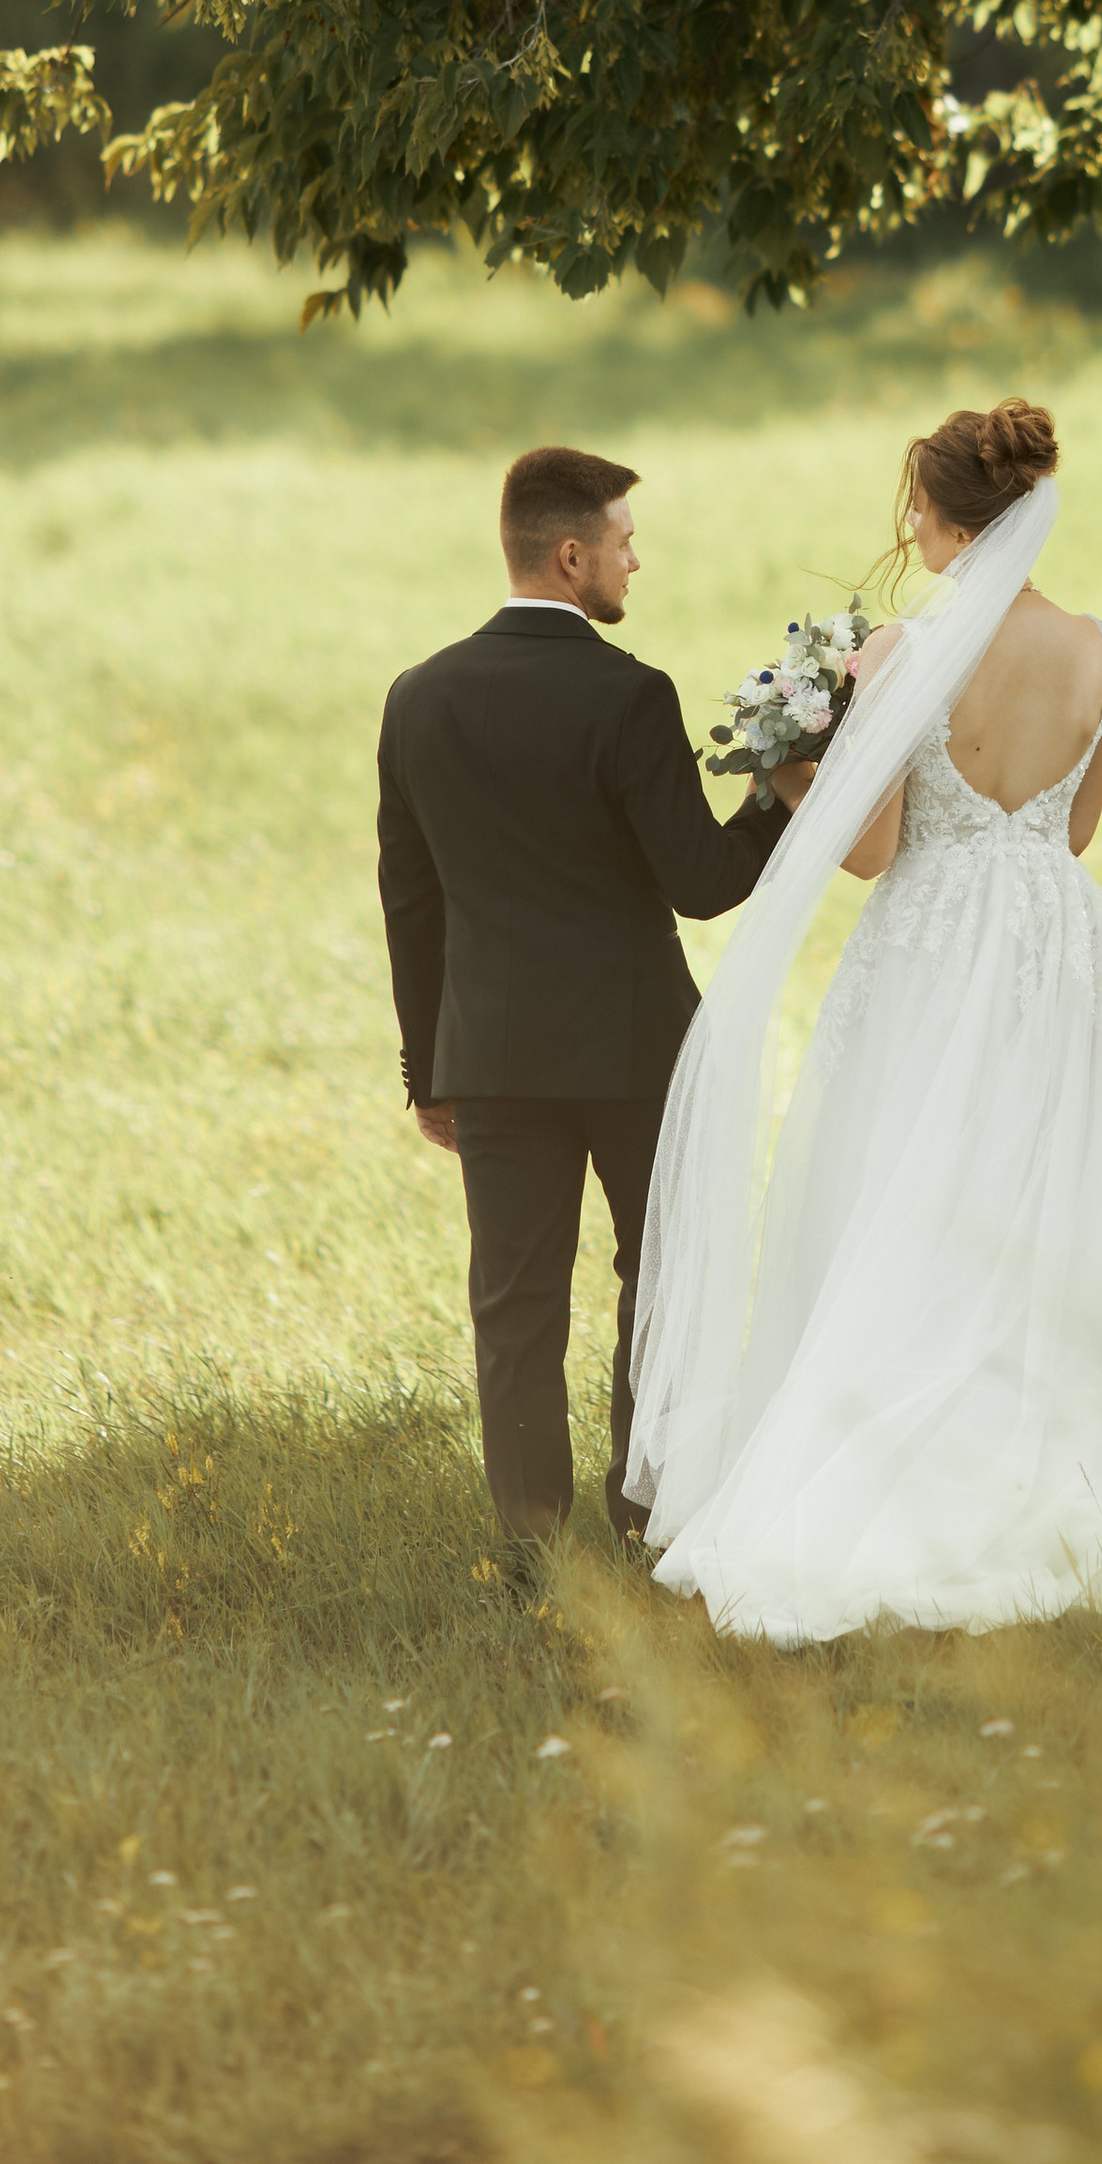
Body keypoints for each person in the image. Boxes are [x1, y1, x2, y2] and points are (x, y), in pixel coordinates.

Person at [628, 399, 1102, 1640]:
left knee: (907, 1175)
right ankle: (1054, 1442)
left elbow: (871, 850)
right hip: (1051, 937)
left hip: (933, 935)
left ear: (946, 519)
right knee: (1036, 1179)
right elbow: (1074, 831)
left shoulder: (905, 655)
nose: (910, 533)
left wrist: (791, 765)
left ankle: (895, 1448)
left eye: (915, 513)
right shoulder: (1095, 648)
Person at [376, 444, 798, 1552]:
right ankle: (644, 1516)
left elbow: (410, 904)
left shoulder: (418, 697)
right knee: (657, 1277)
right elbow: (701, 884)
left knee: (513, 1305)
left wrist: (430, 1070)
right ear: (571, 557)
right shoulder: (628, 694)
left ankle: (533, 1551)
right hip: (634, 1048)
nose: (634, 563)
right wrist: (779, 790)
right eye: (623, 543)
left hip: (492, 1055)